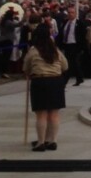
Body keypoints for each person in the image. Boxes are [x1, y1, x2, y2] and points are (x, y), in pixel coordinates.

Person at [23, 23, 68, 151]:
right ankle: (52, 140)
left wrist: (29, 72)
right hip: (56, 81)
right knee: (54, 114)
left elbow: (26, 68)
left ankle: (41, 142)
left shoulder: (33, 51)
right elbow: (65, 66)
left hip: (40, 81)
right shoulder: (56, 51)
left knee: (41, 114)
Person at [57, 6, 87, 86]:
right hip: (67, 45)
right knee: (70, 62)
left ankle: (66, 79)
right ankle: (79, 78)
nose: (70, 14)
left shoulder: (79, 24)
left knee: (73, 62)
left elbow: (83, 36)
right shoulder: (65, 23)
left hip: (75, 45)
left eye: (72, 13)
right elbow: (61, 34)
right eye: (69, 12)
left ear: (75, 13)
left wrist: (82, 47)